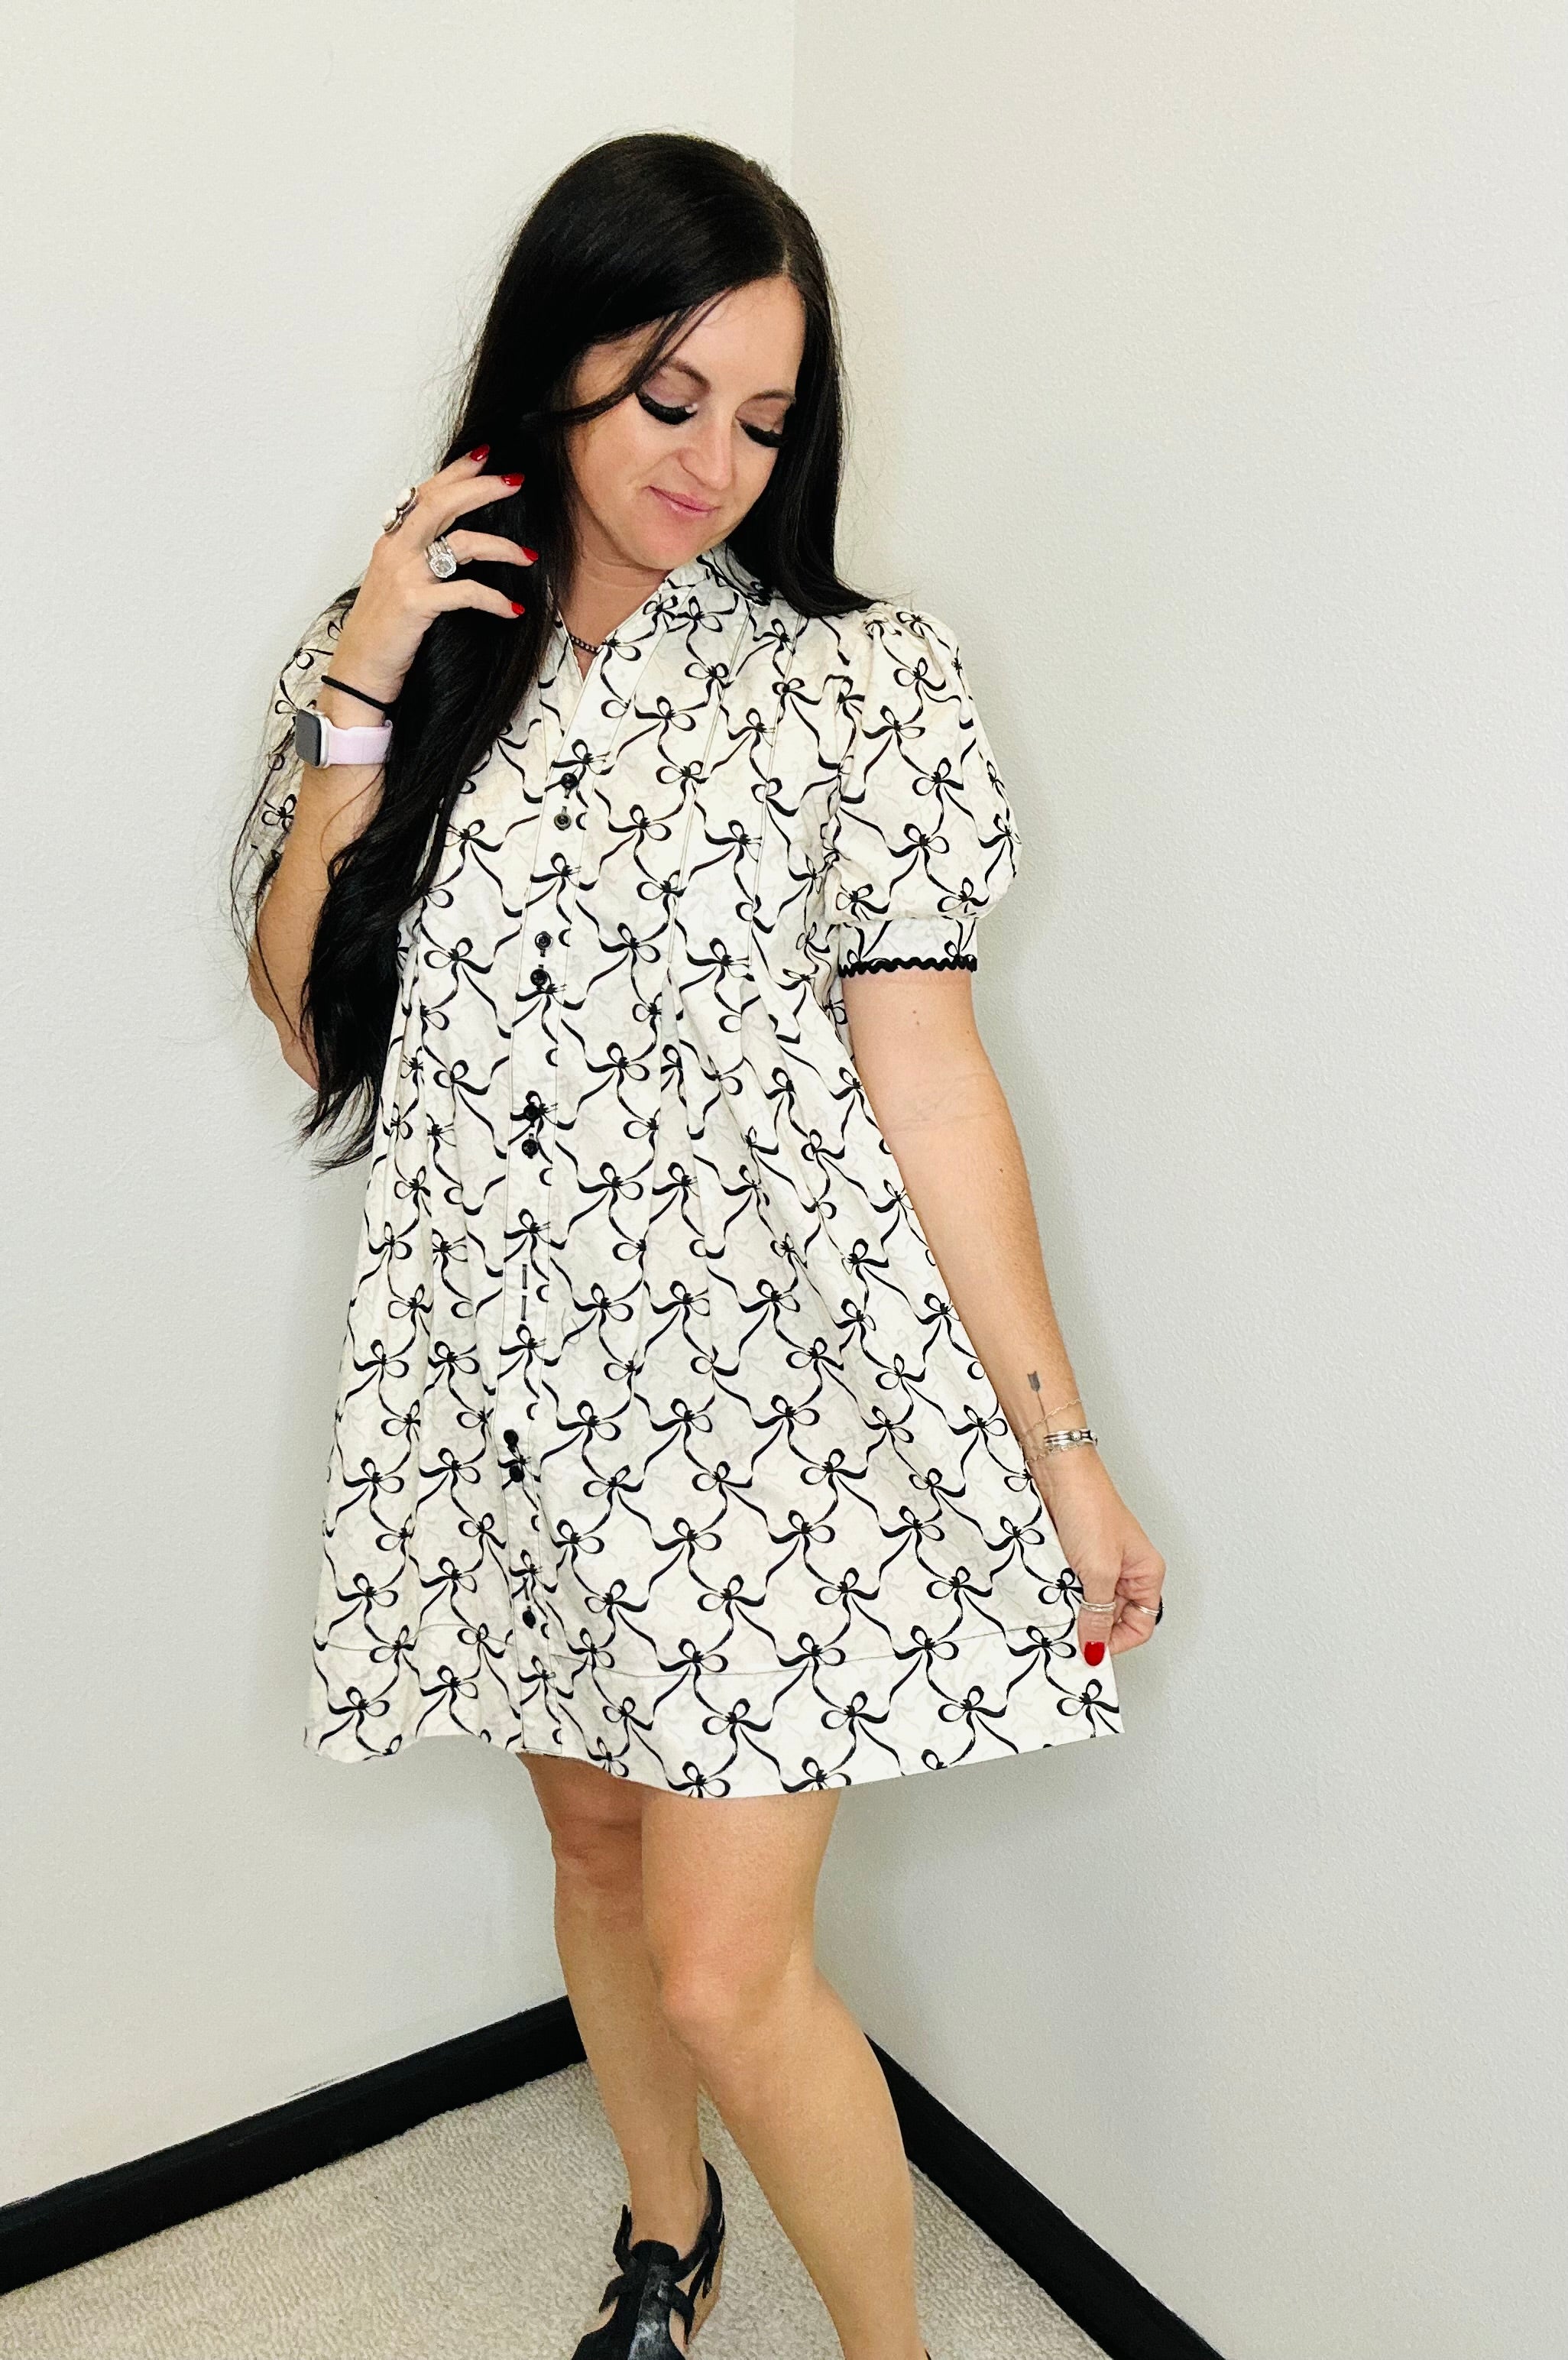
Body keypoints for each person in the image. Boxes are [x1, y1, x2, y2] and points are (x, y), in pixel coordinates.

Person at [235, 130, 1165, 2360]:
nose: (715, 463)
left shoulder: (861, 679)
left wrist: (1062, 1451)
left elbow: (930, 1079)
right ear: (552, 362)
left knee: (733, 1970)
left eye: (762, 417)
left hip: (769, 1397)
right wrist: (363, 686)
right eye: (671, 399)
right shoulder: (408, 655)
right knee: (594, 1855)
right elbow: (310, 1016)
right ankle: (667, 2238)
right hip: (500, 1377)